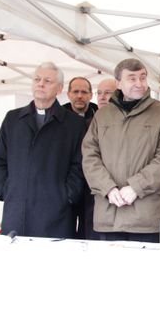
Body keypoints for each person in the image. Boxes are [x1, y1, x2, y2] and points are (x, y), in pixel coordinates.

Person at [82, 59, 160, 242]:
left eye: (143, 78)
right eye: (132, 78)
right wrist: (108, 188)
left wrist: (136, 187)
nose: (139, 84)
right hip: (108, 213)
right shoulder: (102, 116)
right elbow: (89, 156)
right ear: (118, 83)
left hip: (146, 216)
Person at [0, 62, 86, 238]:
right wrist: (5, 189)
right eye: (37, 79)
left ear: (59, 88)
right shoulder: (13, 119)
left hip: (56, 215)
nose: (40, 84)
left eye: (47, 80)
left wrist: (67, 195)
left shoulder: (74, 125)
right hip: (16, 211)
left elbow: (79, 165)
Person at [63, 76, 98, 239]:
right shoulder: (59, 117)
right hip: (66, 184)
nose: (79, 96)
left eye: (84, 92)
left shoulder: (100, 116)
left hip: (91, 187)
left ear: (91, 95)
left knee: (88, 230)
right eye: (75, 91)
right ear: (68, 94)